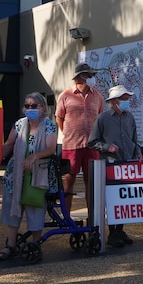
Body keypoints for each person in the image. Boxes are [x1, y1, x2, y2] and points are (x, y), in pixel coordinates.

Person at [0, 92, 58, 261]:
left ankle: (35, 244)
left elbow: (51, 148)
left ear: (42, 108)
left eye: (34, 106)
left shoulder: (49, 126)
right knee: (13, 207)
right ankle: (11, 245)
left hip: (39, 172)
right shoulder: (19, 124)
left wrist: (33, 156)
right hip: (16, 172)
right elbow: (9, 144)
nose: (29, 108)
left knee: (35, 207)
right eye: (27, 105)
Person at [88, 85, 143, 248]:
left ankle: (120, 230)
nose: (127, 101)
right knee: (113, 200)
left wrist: (138, 152)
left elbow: (134, 139)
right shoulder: (102, 119)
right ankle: (112, 233)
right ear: (114, 101)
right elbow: (91, 142)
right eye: (123, 98)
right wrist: (107, 147)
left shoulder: (130, 117)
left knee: (125, 200)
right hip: (110, 164)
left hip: (127, 164)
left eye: (127, 98)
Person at [56, 63, 105, 215]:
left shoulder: (98, 96)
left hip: (92, 145)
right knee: (69, 180)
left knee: (90, 182)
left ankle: (92, 217)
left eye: (93, 75)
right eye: (89, 75)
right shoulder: (65, 95)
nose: (92, 78)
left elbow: (100, 118)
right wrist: (68, 133)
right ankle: (66, 215)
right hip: (71, 145)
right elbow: (59, 117)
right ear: (79, 77)